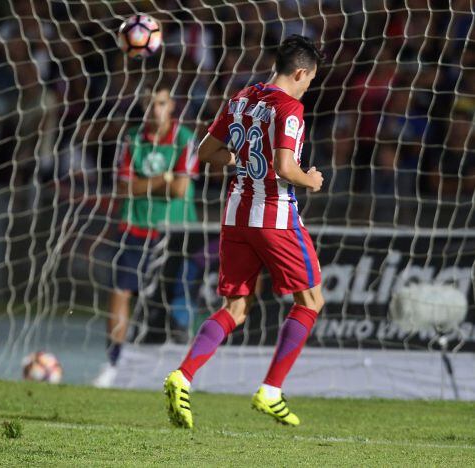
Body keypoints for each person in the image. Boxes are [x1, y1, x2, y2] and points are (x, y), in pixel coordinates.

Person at [164, 35, 325, 428]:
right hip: (275, 217)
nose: (307, 88)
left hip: (236, 214)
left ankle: (182, 375)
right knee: (310, 301)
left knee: (235, 308)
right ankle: (271, 389)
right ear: (300, 72)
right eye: (309, 81)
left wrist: (239, 157)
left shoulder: (241, 97)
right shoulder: (290, 108)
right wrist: (311, 179)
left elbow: (205, 151)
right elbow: (287, 167)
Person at [94, 83, 199, 388]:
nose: (156, 109)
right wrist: (162, 178)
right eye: (151, 104)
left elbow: (180, 190)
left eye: (162, 103)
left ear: (172, 106)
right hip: (135, 226)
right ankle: (113, 362)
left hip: (175, 231)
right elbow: (124, 188)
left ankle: (184, 368)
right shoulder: (132, 140)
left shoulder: (185, 139)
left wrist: (145, 182)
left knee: (176, 298)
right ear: (143, 106)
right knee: (121, 291)